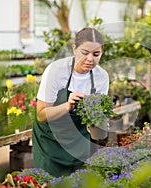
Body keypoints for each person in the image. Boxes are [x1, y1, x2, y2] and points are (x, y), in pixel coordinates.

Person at [32, 27, 109, 177]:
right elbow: (41, 115)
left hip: (79, 143)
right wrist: (67, 105)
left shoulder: (101, 77)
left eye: (96, 54)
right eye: (85, 53)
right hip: (50, 144)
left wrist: (100, 121)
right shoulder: (56, 71)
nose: (90, 59)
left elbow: (97, 123)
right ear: (74, 49)